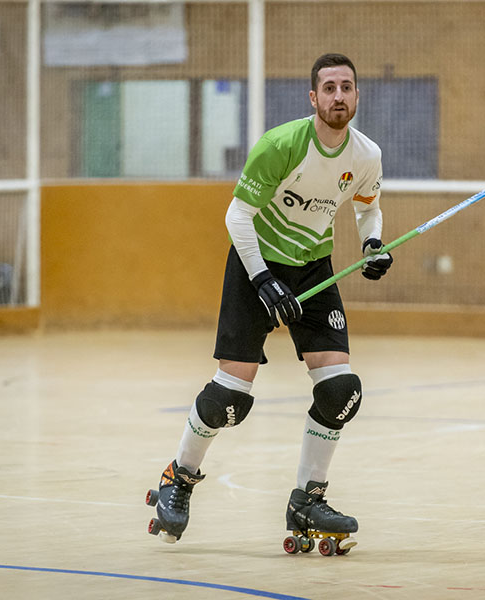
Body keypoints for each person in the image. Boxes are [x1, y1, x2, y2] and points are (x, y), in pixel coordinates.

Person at [147, 53, 393, 554]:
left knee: (340, 390)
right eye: (329, 88)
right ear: (313, 97)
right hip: (254, 262)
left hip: (314, 266)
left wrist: (373, 244)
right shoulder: (281, 146)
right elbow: (237, 217)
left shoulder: (366, 155)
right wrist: (262, 280)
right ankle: (179, 478)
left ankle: (308, 499)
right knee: (230, 397)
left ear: (357, 95)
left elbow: (368, 208)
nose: (339, 96)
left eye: (347, 87)